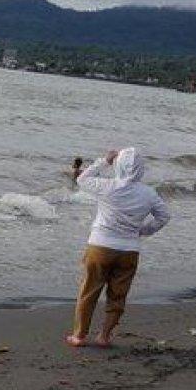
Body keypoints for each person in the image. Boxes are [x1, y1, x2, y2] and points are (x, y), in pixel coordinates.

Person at [67, 147, 170, 348]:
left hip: (100, 246)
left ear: (118, 166)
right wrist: (143, 230)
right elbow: (164, 217)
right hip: (129, 250)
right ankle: (104, 335)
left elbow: (81, 179)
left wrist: (105, 161)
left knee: (89, 291)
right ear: (141, 169)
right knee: (118, 295)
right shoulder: (148, 194)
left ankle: (79, 336)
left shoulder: (107, 186)